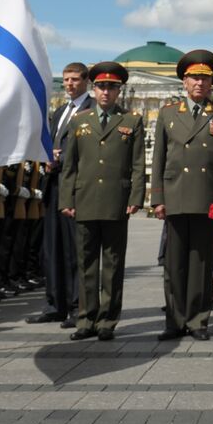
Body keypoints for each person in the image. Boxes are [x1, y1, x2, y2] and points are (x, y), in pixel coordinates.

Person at [59, 61, 146, 341]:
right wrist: (66, 199)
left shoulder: (131, 120)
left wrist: (135, 198)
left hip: (116, 201)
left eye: (112, 87)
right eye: (101, 86)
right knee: (85, 264)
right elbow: (69, 165)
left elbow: (137, 164)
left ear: (119, 90)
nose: (106, 92)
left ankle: (108, 320)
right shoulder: (79, 121)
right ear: (93, 89)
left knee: (112, 264)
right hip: (84, 200)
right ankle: (86, 319)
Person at [151, 50, 213, 342]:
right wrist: (157, 198)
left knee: (202, 264)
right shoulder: (168, 114)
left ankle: (198, 320)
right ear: (184, 81)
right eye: (194, 78)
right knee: (174, 264)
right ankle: (175, 320)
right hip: (176, 195)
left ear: (212, 84)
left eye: (205, 79)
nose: (200, 84)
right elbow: (158, 158)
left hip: (208, 197)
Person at [28, 63, 92, 326]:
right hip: (54, 185)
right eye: (66, 80)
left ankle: (78, 306)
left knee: (76, 250)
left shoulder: (91, 111)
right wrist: (46, 158)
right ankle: (55, 303)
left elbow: (89, 150)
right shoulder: (60, 112)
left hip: (76, 188)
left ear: (86, 81)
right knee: (52, 249)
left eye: (75, 79)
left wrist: (61, 158)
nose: (69, 84)